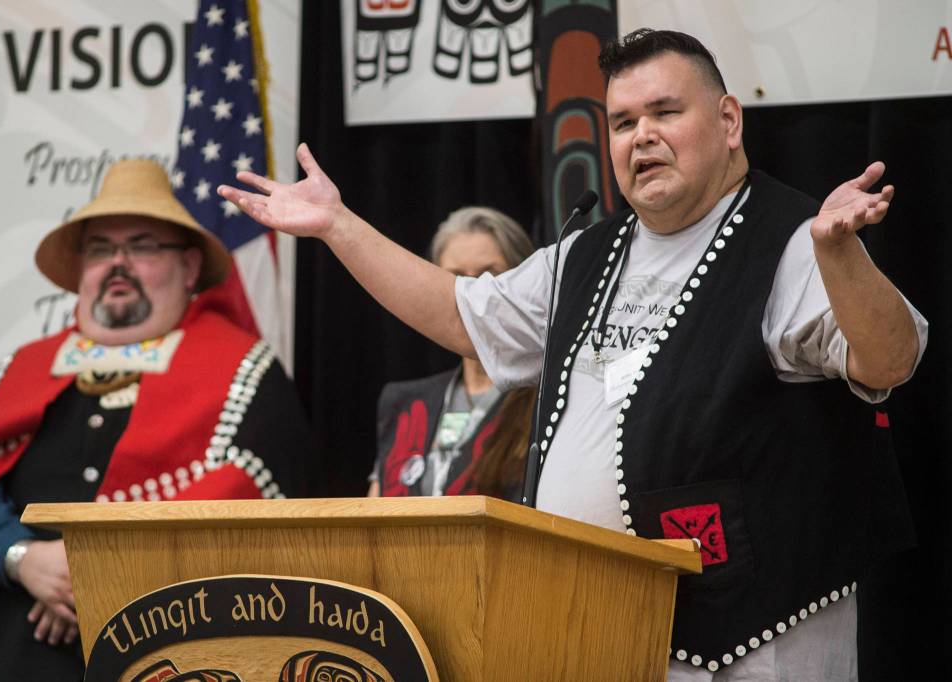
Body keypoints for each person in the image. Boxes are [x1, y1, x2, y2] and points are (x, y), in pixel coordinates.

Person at [220, 28, 928, 679]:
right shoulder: (590, 252)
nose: (641, 137)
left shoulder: (794, 240)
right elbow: (465, 318)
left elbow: (890, 361)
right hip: (601, 628)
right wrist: (339, 228)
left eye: (664, 113)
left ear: (728, 121)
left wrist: (841, 256)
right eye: (623, 123)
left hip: (754, 638)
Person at [0, 159, 316, 681]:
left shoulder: (243, 367)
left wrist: (95, 572)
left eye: (142, 245)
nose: (118, 263)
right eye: (101, 249)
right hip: (14, 656)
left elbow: (251, 489)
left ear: (190, 268)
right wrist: (21, 558)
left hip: (176, 654)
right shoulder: (21, 369)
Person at [368, 207, 536, 501]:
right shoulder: (405, 402)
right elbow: (371, 518)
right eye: (455, 279)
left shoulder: (548, 401)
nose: (471, 293)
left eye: (489, 275)